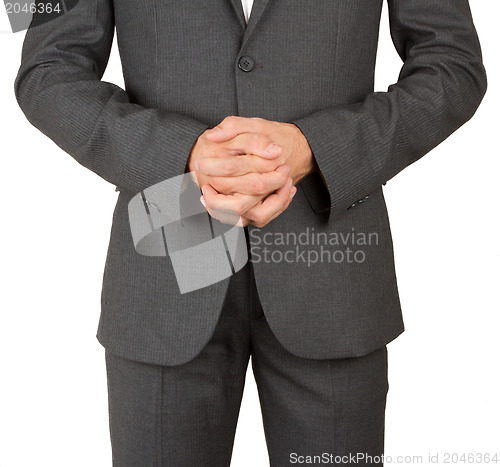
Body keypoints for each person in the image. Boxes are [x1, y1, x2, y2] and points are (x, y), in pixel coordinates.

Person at [14, 0, 487, 465]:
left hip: (332, 273)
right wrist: (182, 155)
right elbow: (46, 71)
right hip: (166, 261)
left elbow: (454, 64)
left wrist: (314, 149)